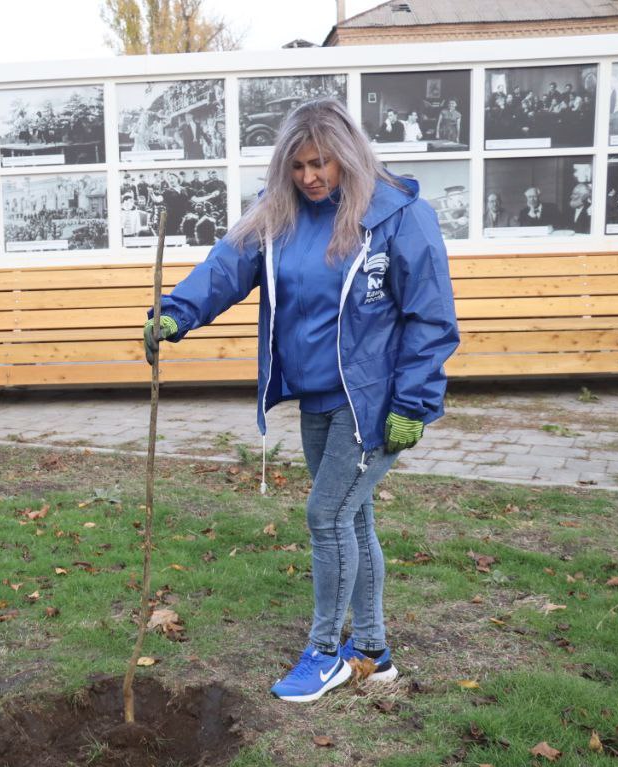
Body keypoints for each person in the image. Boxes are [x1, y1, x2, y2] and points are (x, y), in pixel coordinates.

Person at [142, 98, 459, 703]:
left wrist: (414, 402)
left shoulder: (396, 215)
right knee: (352, 518)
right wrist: (175, 315)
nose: (311, 177)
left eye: (323, 163)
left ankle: (324, 653)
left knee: (326, 516)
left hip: (372, 401)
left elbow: (431, 316)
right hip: (316, 396)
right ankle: (371, 651)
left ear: (349, 158)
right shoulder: (277, 215)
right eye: (299, 165)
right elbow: (224, 269)